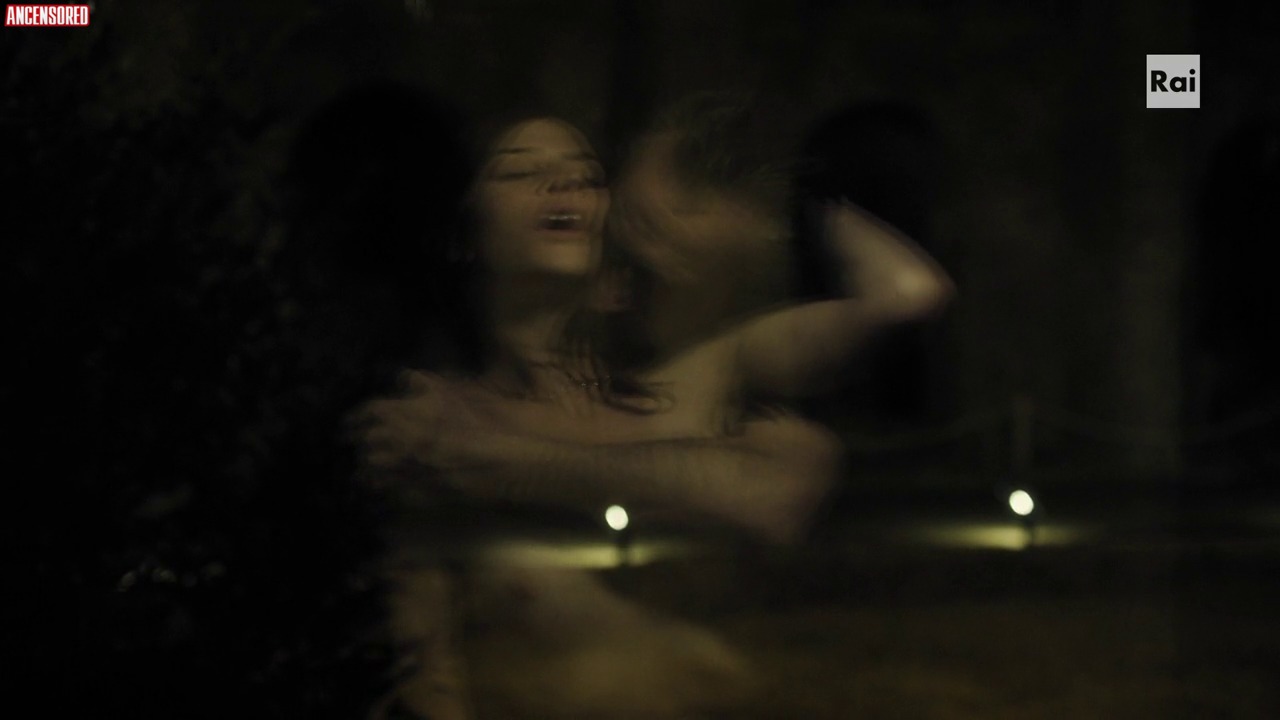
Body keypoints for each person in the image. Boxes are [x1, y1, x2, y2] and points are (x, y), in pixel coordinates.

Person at [361, 98, 954, 718]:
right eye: (519, 170)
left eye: (587, 176)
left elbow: (906, 293)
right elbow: (421, 659)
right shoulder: (429, 415)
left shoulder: (687, 381)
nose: (563, 183)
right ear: (461, 230)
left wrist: (787, 202)